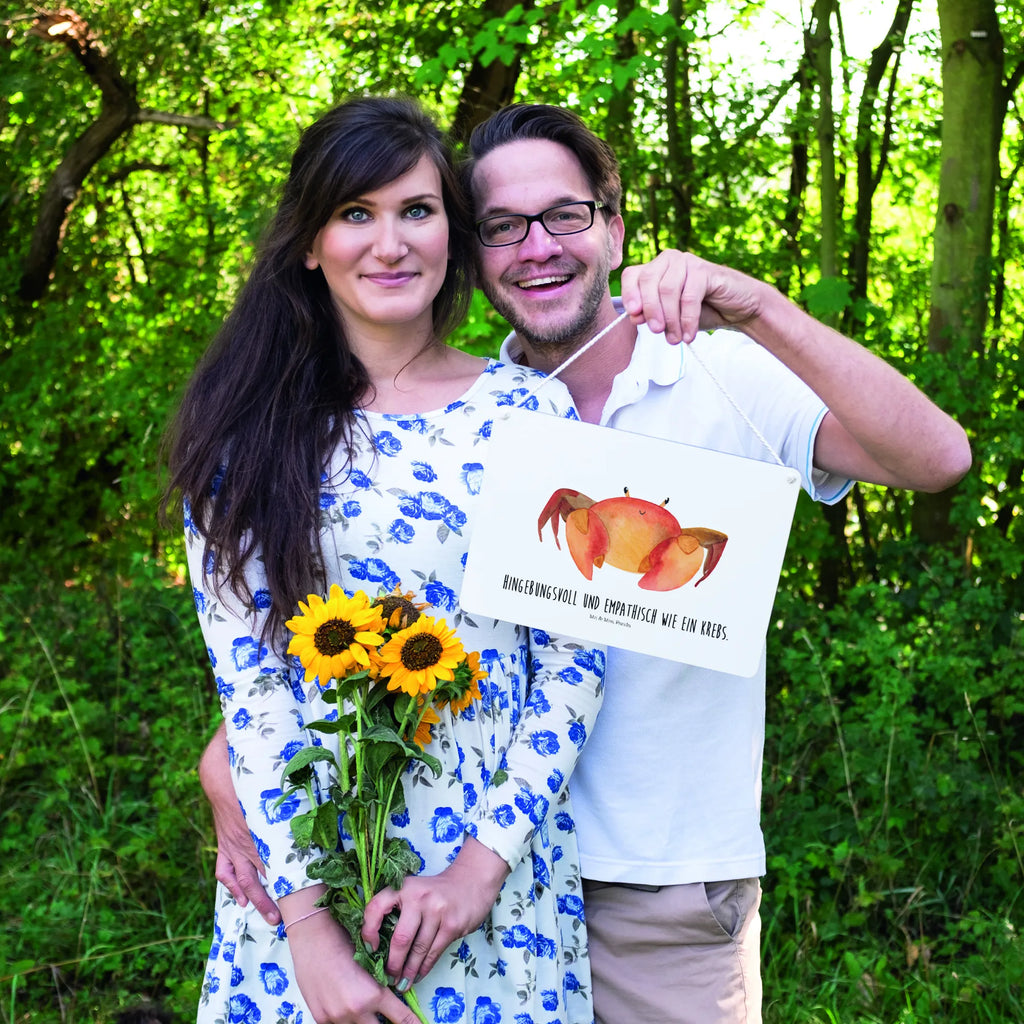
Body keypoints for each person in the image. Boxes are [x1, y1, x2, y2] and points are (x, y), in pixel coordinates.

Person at [202, 102, 972, 1024]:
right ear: (474, 251)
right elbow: (333, 632)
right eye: (502, 226)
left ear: (612, 226)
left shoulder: (711, 374)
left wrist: (759, 306)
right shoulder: (461, 418)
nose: (537, 247)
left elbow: (938, 461)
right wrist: (236, 770)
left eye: (565, 215)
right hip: (424, 875)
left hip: (653, 887)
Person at [165, 97, 607, 1024]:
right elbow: (252, 691)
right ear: (308, 244)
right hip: (303, 887)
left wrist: (478, 872)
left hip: (492, 887)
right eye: (355, 214)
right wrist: (311, 936)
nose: (390, 242)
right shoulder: (245, 437)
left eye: (416, 210)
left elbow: (574, 662)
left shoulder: (532, 415)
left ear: (452, 229)